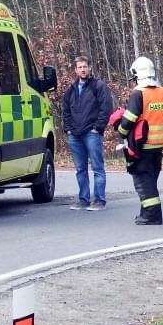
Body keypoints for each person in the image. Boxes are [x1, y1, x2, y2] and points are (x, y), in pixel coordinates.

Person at [114, 56, 163, 225]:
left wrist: (120, 130)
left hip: (142, 145)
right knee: (150, 180)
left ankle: (152, 215)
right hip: (157, 145)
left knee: (143, 181)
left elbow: (129, 120)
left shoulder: (139, 93)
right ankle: (145, 212)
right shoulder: (162, 92)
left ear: (138, 75)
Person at [61, 56, 113, 210]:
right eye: (80, 67)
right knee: (80, 170)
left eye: (85, 66)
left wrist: (97, 128)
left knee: (97, 167)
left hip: (92, 133)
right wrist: (68, 129)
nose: (83, 70)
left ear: (90, 68)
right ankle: (83, 199)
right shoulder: (70, 89)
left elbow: (106, 108)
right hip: (74, 135)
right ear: (75, 70)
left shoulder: (98, 86)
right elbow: (66, 111)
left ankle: (99, 200)